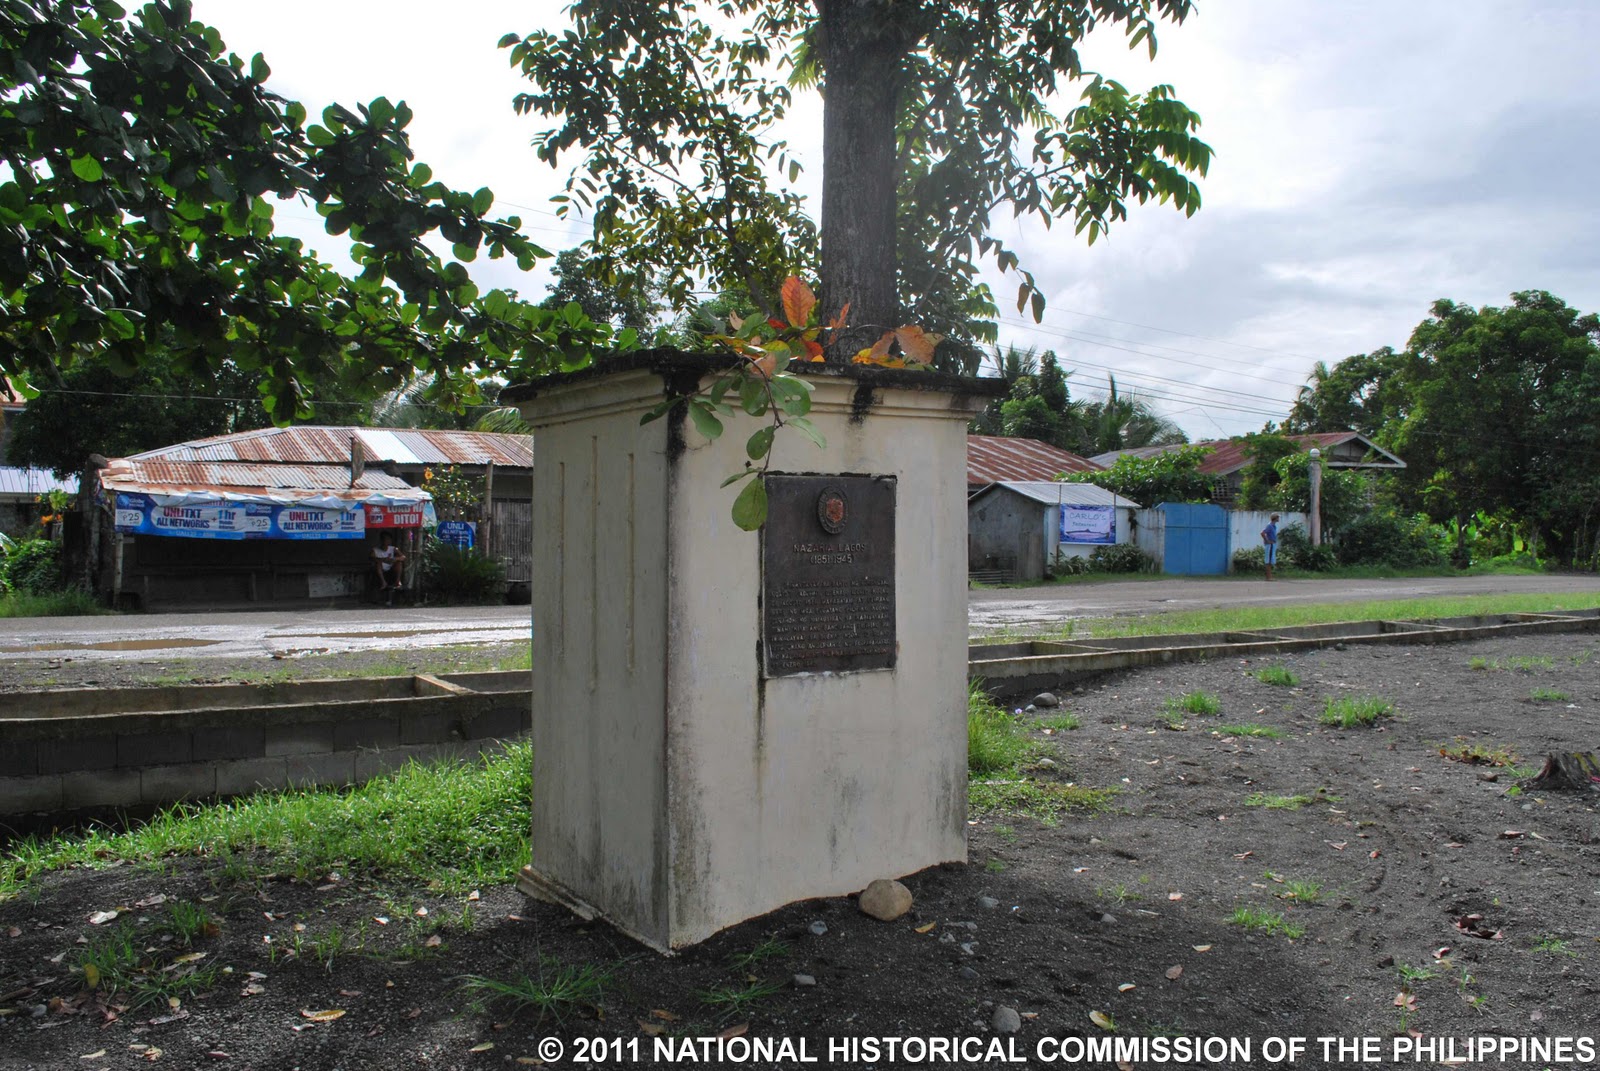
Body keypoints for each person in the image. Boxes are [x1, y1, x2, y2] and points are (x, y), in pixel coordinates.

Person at [372, 532, 407, 603]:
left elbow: (403, 557)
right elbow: (372, 558)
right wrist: (384, 559)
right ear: (381, 540)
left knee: (399, 563)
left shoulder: (394, 549)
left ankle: (398, 581)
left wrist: (395, 559)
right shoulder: (375, 550)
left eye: (389, 539)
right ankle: (383, 582)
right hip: (381, 568)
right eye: (385, 539)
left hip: (391, 568)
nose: (387, 541)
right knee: (378, 564)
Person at [1261, 513, 1279, 581]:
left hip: (1273, 544)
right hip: (1270, 544)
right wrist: (1267, 540)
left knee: (1270, 560)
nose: (1278, 519)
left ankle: (1269, 576)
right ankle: (1268, 577)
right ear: (1275, 518)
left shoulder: (1273, 526)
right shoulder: (1270, 526)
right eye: (1278, 517)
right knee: (1268, 560)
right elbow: (1262, 533)